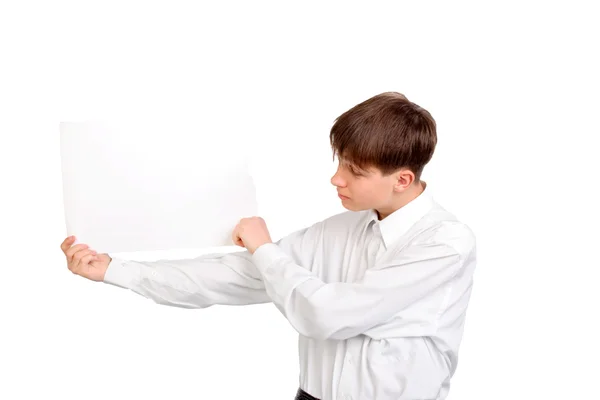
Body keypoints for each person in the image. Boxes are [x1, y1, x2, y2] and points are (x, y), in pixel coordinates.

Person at [60, 91, 477, 400]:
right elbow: (238, 276)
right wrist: (113, 269)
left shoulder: (446, 243)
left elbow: (328, 315)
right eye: (338, 164)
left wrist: (264, 248)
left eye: (355, 171)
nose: (337, 179)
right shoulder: (339, 230)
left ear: (402, 179)